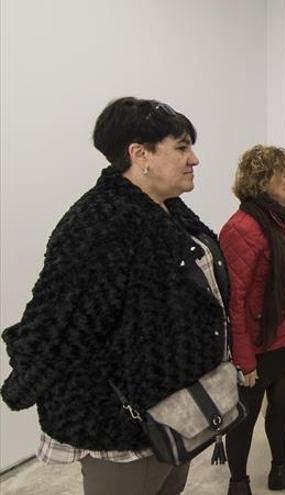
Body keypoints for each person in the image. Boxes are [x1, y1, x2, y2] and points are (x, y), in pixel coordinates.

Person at [1, 97, 227, 495]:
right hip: (126, 425)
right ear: (139, 154)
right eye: (182, 147)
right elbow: (57, 323)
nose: (195, 159)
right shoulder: (100, 223)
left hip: (178, 408)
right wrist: (24, 385)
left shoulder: (168, 210)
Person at [220, 145, 285, 495]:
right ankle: (238, 482)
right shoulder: (241, 229)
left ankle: (281, 470)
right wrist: (244, 358)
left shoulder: (284, 220)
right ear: (264, 181)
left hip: (284, 335)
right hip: (256, 343)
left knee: (281, 406)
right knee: (244, 418)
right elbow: (234, 301)